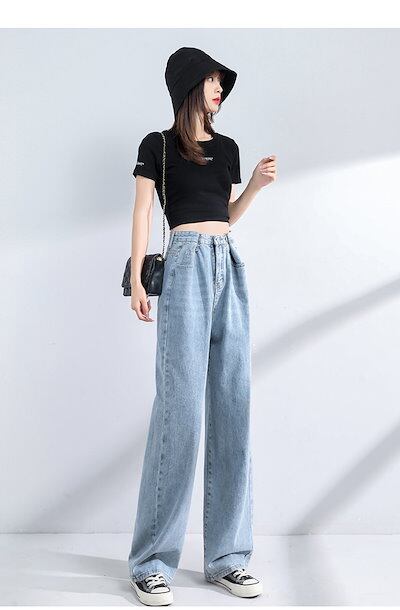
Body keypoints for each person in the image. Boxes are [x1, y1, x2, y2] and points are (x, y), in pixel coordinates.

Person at [127, 47, 277, 606]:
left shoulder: (228, 149)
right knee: (180, 412)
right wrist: (138, 278)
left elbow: (225, 214)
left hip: (228, 263)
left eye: (221, 82)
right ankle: (151, 562)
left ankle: (228, 558)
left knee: (233, 405)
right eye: (212, 81)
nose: (219, 90)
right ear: (190, 86)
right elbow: (144, 211)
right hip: (185, 264)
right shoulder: (158, 146)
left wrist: (254, 186)